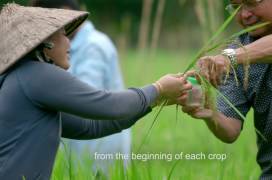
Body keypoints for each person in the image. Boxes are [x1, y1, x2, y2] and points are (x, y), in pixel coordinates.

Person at [0, 3, 191, 180]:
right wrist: (157, 89)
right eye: (64, 34)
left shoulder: (23, 79)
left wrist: (157, 99)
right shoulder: (38, 75)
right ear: (45, 42)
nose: (69, 44)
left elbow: (91, 126)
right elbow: (107, 105)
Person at [183, 0, 272, 179]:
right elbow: (230, 129)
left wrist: (231, 58)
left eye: (251, 3)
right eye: (236, 6)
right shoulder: (233, 54)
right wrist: (209, 112)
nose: (244, 14)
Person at [29, 0, 132, 172]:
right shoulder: (70, 44)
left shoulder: (93, 46)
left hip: (100, 147)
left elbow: (84, 99)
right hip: (84, 144)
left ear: (66, 12)